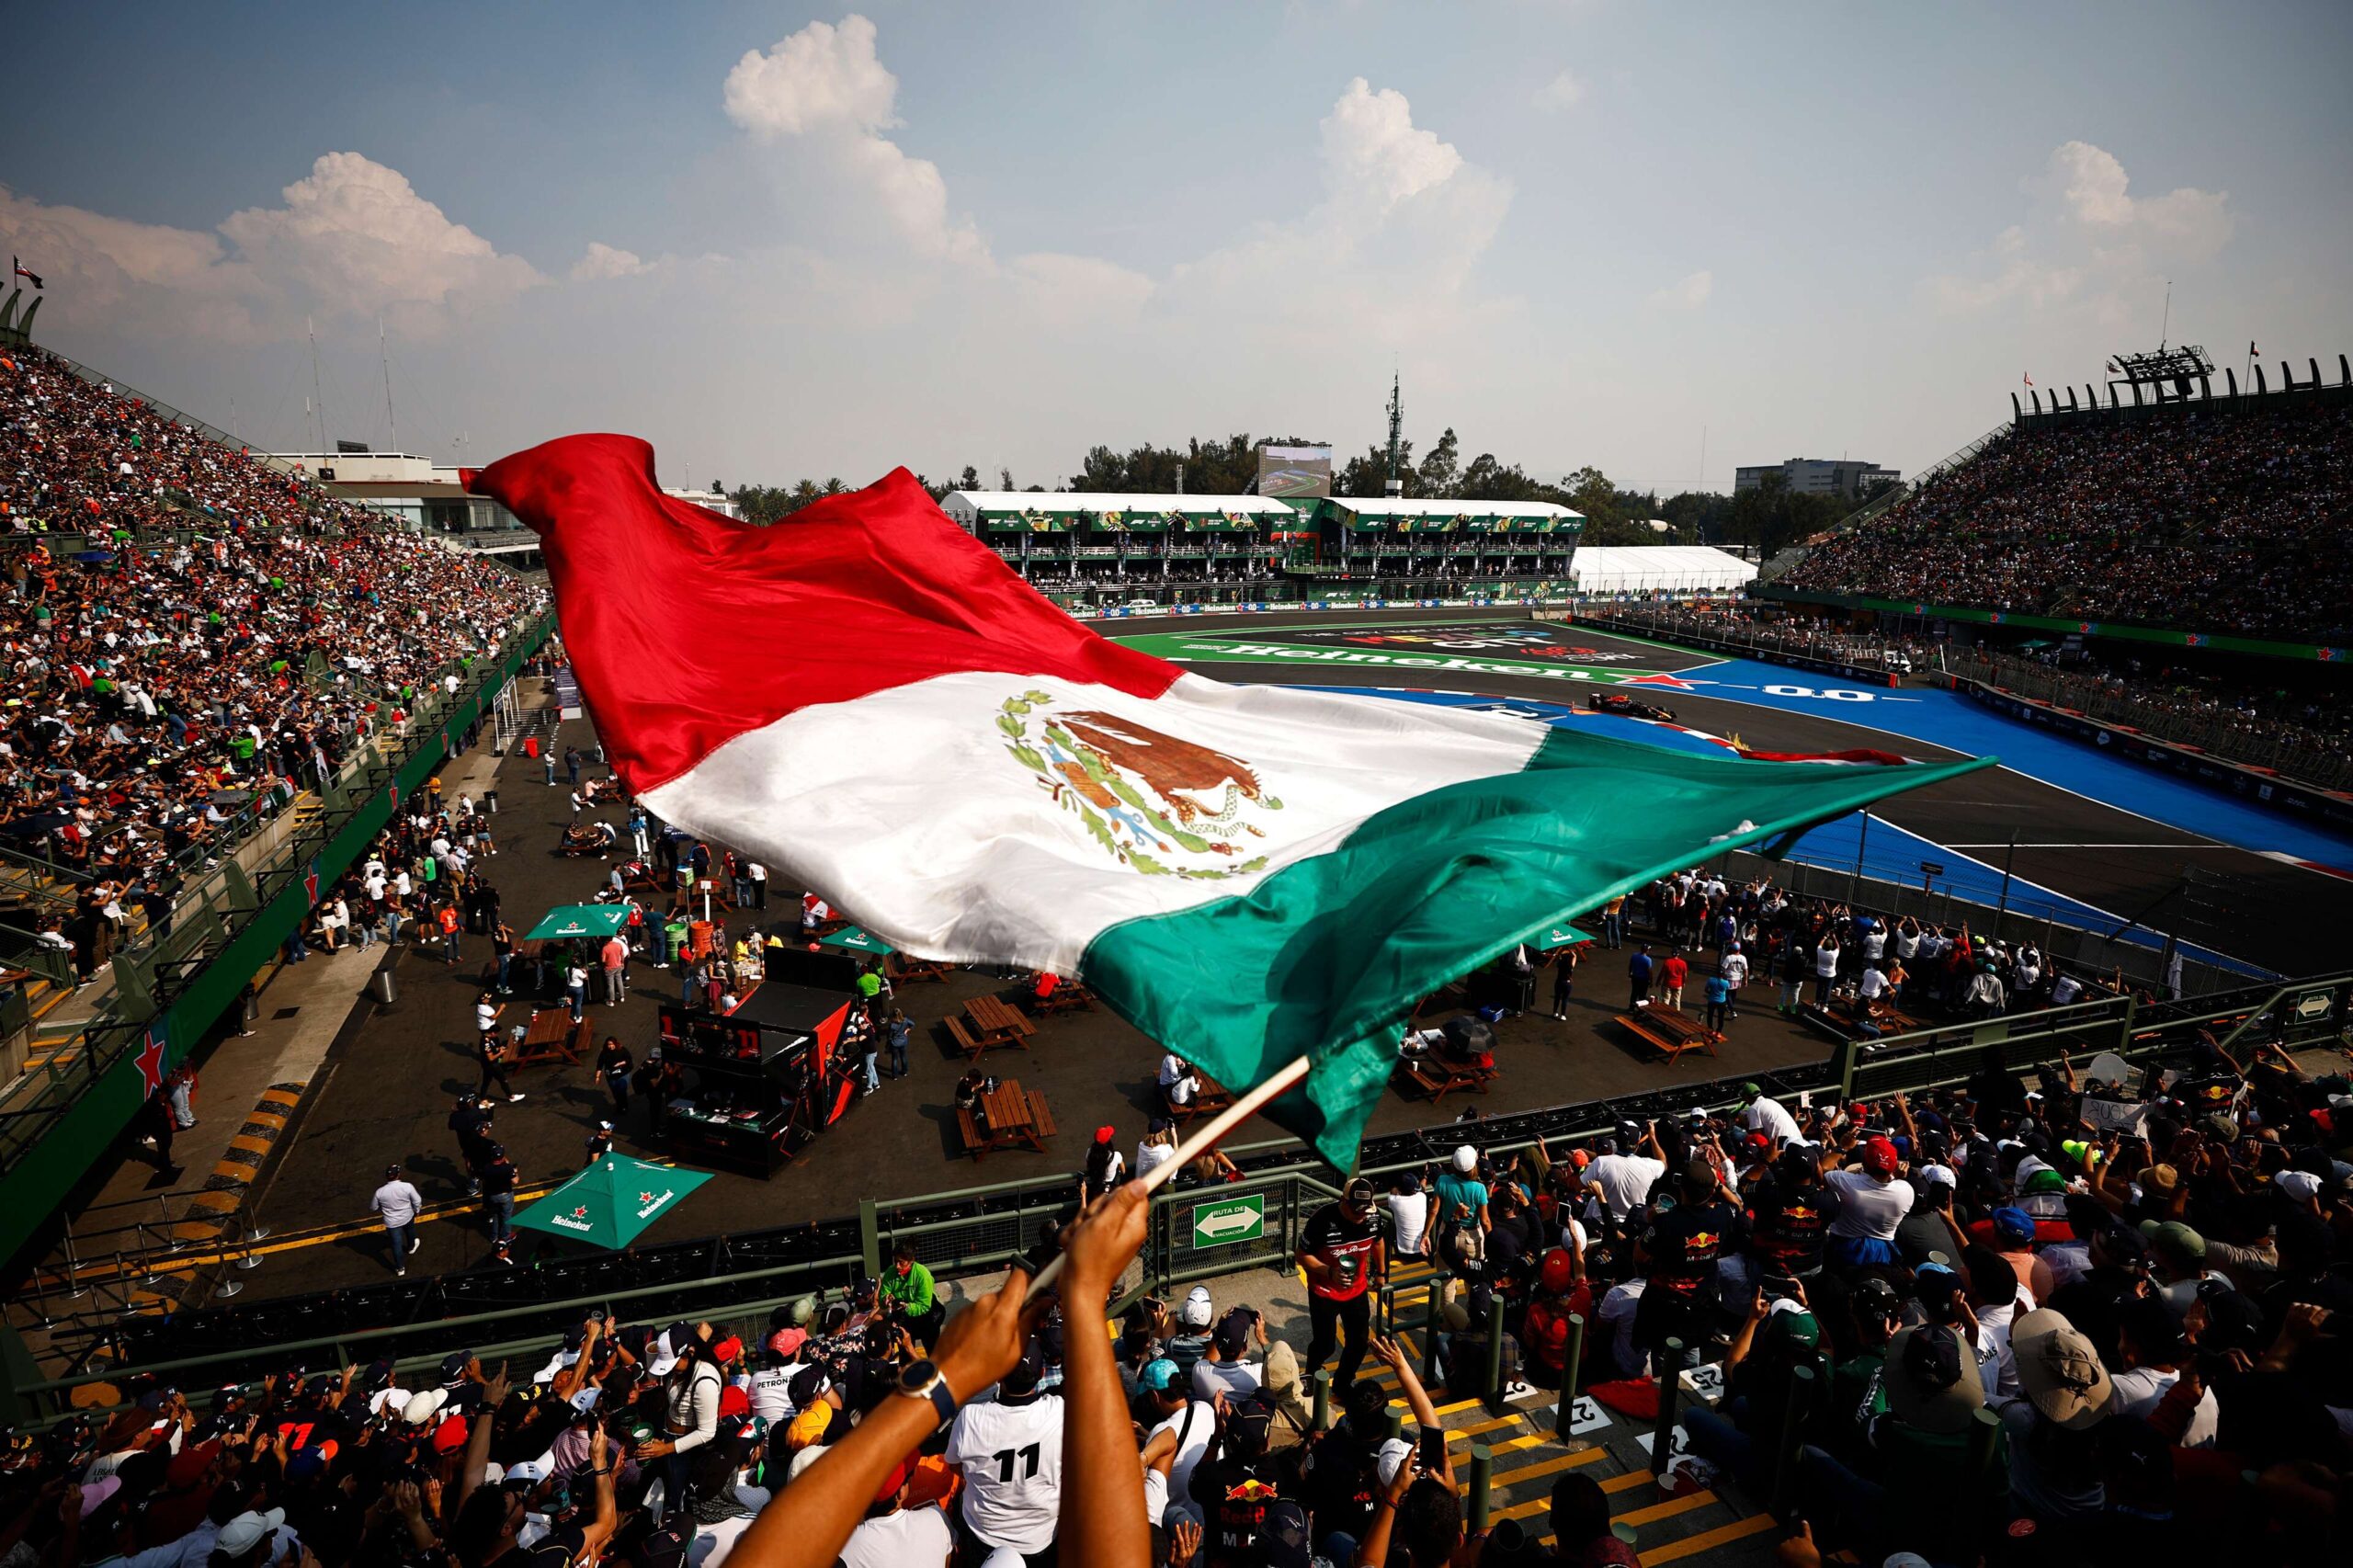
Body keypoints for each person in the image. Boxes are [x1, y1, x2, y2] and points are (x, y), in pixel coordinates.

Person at [946, 1344, 1063, 1563]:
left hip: (985, 1533)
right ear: (1042, 1374)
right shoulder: (1059, 1411)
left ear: (998, 1374)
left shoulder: (970, 1418)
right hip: (1040, 1537)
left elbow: (953, 1465)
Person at [1299, 1177, 1387, 1392]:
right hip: (1324, 1292)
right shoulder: (1322, 1220)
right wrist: (1329, 1272)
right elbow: (1302, 1254)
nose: (1361, 1216)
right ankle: (1311, 1374)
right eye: (1356, 1210)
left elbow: (1378, 1242)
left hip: (1356, 1291)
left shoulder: (1372, 1218)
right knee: (1325, 1344)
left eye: (1365, 1211)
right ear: (1343, 1201)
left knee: (1358, 1343)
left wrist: (1381, 1272)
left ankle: (1343, 1383)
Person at [371, 1165, 424, 1276]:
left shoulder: (379, 1192)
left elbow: (373, 1207)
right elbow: (417, 1200)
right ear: (398, 1175)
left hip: (391, 1222)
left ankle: (400, 1269)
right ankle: (411, 1247)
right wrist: (417, 1210)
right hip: (407, 1216)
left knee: (396, 1245)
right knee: (410, 1231)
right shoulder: (407, 1187)